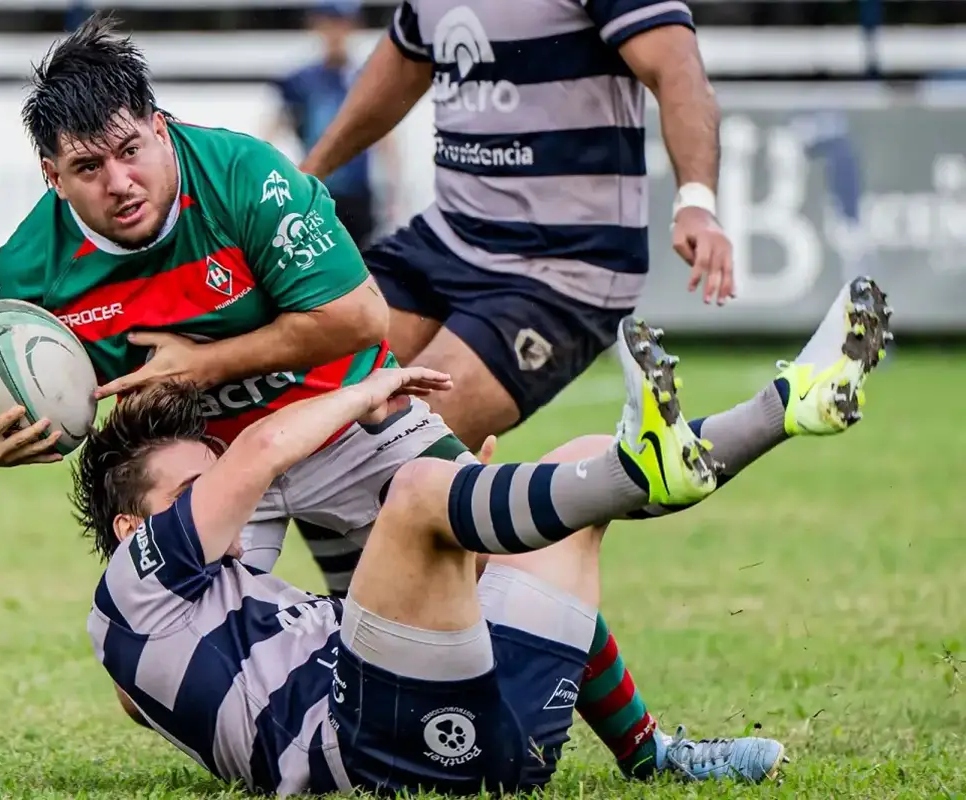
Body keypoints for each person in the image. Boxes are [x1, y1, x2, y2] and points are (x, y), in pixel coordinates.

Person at [76, 277, 892, 794]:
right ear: (129, 528)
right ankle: (652, 466)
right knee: (425, 490)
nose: (215, 498)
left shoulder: (204, 610)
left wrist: (472, 535)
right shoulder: (131, 587)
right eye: (190, 489)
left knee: (563, 478)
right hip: (366, 759)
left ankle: (786, 406)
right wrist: (375, 387)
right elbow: (255, 450)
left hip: (498, 754)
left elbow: (136, 696)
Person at [293, 0, 758, 773]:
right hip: (449, 239)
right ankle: (372, 676)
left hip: (562, 266)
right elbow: (402, 63)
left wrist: (697, 201)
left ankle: (641, 750)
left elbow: (674, 65)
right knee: (308, 411)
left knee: (412, 481)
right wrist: (310, 174)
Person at [0, 13, 474, 595]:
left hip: (345, 418)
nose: (120, 182)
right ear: (53, 176)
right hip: (208, 467)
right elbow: (0, 396)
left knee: (481, 567)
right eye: (88, 167)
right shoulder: (30, 269)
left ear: (160, 127)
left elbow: (360, 318)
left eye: (130, 150)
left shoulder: (244, 177)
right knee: (158, 632)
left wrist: (202, 365)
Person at [269, 0, 399, 249]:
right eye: (328, 23)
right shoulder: (301, 81)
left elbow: (385, 136)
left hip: (357, 196)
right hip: (316, 192)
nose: (335, 32)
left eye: (341, 23)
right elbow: (274, 129)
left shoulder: (365, 77)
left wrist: (393, 191)